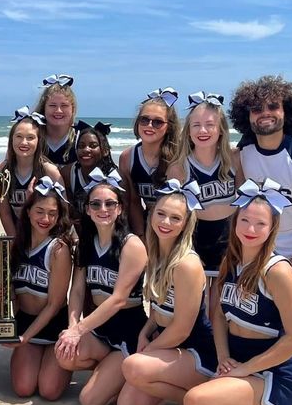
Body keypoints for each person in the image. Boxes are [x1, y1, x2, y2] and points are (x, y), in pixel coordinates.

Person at [182, 179, 292, 405]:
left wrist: (245, 368)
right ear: (235, 221)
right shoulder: (232, 260)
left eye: (260, 224)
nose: (251, 229)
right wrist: (224, 357)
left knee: (194, 401)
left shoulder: (277, 272)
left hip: (272, 372)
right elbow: (216, 314)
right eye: (245, 220)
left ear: (272, 228)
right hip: (237, 361)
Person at [228, 75, 292, 391]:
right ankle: (261, 369)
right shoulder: (245, 150)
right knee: (261, 304)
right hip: (258, 239)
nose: (265, 114)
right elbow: (241, 195)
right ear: (247, 115)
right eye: (257, 109)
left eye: (273, 107)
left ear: (288, 112)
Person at [117, 180, 217, 405]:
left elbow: (182, 328)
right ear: (152, 214)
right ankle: (184, 392)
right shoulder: (156, 252)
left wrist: (150, 350)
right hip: (169, 345)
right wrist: (145, 333)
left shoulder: (186, 264)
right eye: (161, 214)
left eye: (175, 218)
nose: (166, 222)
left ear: (186, 224)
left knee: (133, 366)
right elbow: (159, 307)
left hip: (196, 351)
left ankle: (192, 400)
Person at [54, 170, 148, 405]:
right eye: (95, 203)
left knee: (89, 401)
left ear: (120, 209)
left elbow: (118, 300)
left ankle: (123, 372)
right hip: (101, 327)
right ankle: (110, 370)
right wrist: (72, 326)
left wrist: (80, 330)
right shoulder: (86, 241)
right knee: (64, 355)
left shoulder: (131, 245)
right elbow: (76, 291)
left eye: (110, 203)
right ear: (87, 209)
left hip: (128, 329)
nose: (102, 208)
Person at [8, 177, 74, 400]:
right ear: (27, 212)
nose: (46, 219)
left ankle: (54, 358)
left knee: (49, 391)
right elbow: (16, 294)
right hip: (26, 320)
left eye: (52, 213)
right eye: (39, 211)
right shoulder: (17, 244)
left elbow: (55, 304)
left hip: (53, 325)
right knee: (23, 389)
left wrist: (24, 338)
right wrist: (7, 296)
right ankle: (35, 356)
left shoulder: (59, 249)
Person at [168, 92, 242, 279]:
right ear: (188, 131)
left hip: (230, 240)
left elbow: (244, 205)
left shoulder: (235, 160)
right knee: (200, 302)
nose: (203, 131)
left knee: (221, 303)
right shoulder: (179, 168)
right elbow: (176, 214)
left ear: (221, 129)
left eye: (210, 125)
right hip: (194, 240)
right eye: (196, 125)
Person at [119, 88, 182, 240]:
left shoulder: (179, 156)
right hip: (148, 225)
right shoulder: (127, 158)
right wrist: (141, 236)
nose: (149, 125)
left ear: (169, 127)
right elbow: (133, 202)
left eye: (158, 122)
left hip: (177, 227)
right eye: (144, 119)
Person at [0, 106, 63, 236]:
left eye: (30, 137)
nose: (24, 142)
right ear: (11, 140)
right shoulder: (2, 171)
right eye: (19, 136)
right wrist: (16, 242)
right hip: (18, 237)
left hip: (46, 238)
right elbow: (5, 214)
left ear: (39, 141)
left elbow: (63, 210)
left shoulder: (50, 171)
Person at [59, 120, 117, 227]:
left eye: (93, 145)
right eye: (81, 146)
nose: (86, 149)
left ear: (105, 151)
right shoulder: (68, 173)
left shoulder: (115, 177)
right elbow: (66, 212)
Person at [34, 74, 78, 166]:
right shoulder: (32, 135)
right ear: (43, 108)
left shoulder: (81, 137)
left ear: (72, 109)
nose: (58, 110)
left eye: (64, 105)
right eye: (52, 105)